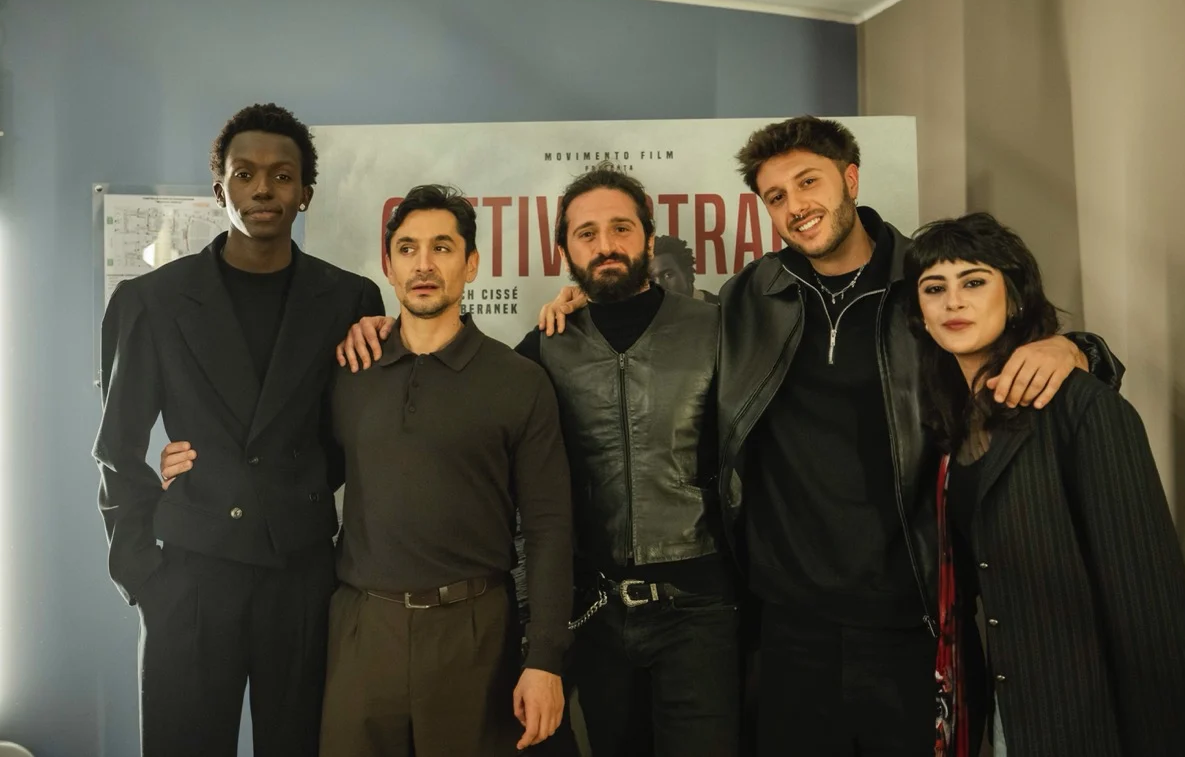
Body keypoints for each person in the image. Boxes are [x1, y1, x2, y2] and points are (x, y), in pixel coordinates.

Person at [538, 115, 1120, 756]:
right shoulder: (752, 295)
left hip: (910, 617)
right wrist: (586, 301)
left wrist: (1077, 348)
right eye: (776, 196)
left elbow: (1008, 337)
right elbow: (655, 327)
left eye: (808, 182)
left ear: (851, 179)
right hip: (788, 626)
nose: (795, 206)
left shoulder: (922, 283)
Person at [339, 165, 740, 757]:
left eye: (621, 229)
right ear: (564, 251)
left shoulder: (717, 329)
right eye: (586, 233)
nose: (605, 245)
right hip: (597, 611)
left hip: (702, 607)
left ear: (649, 239)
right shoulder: (544, 348)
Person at [93, 103, 385, 756]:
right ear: (219, 188)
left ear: (306, 192)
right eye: (245, 173)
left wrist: (298, 483)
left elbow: (351, 440)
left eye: (282, 175)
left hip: (303, 575)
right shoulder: (152, 301)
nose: (263, 188)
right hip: (191, 574)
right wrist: (143, 574)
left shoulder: (350, 299)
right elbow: (116, 449)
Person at [905, 213, 1185, 757]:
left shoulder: (1082, 407)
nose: (953, 302)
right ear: (920, 314)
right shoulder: (949, 425)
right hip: (1009, 715)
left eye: (974, 282)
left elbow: (1149, 604)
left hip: (1090, 722)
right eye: (935, 289)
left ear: (1014, 298)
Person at [651, 235, 720, 304]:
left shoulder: (723, 308)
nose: (658, 286)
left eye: (668, 275)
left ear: (689, 274)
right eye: (651, 279)